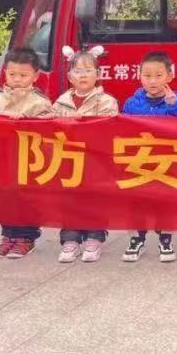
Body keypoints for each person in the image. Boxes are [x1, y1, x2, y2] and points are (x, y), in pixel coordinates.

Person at [0, 48, 53, 259]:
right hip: (1, 158)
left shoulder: (40, 102)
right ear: (5, 72)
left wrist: (26, 120)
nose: (17, 79)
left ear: (35, 76)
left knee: (26, 198)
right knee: (2, 197)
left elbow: (49, 129)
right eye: (12, 74)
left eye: (23, 75)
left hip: (28, 160)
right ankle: (7, 236)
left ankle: (26, 238)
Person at [53, 46, 119, 263]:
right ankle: (70, 239)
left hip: (96, 160)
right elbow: (49, 127)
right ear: (70, 77)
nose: (83, 75)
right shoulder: (60, 103)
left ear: (98, 75)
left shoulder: (106, 101)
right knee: (70, 199)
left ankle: (94, 237)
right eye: (78, 71)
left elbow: (110, 128)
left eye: (88, 70)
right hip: (68, 160)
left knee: (95, 198)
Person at [120, 51, 177, 263]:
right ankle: (136, 239)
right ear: (139, 76)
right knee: (137, 201)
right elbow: (122, 130)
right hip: (139, 162)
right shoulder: (132, 103)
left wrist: (174, 106)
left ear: (169, 76)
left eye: (159, 75)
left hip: (166, 162)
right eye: (147, 76)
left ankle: (165, 239)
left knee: (166, 202)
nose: (153, 81)